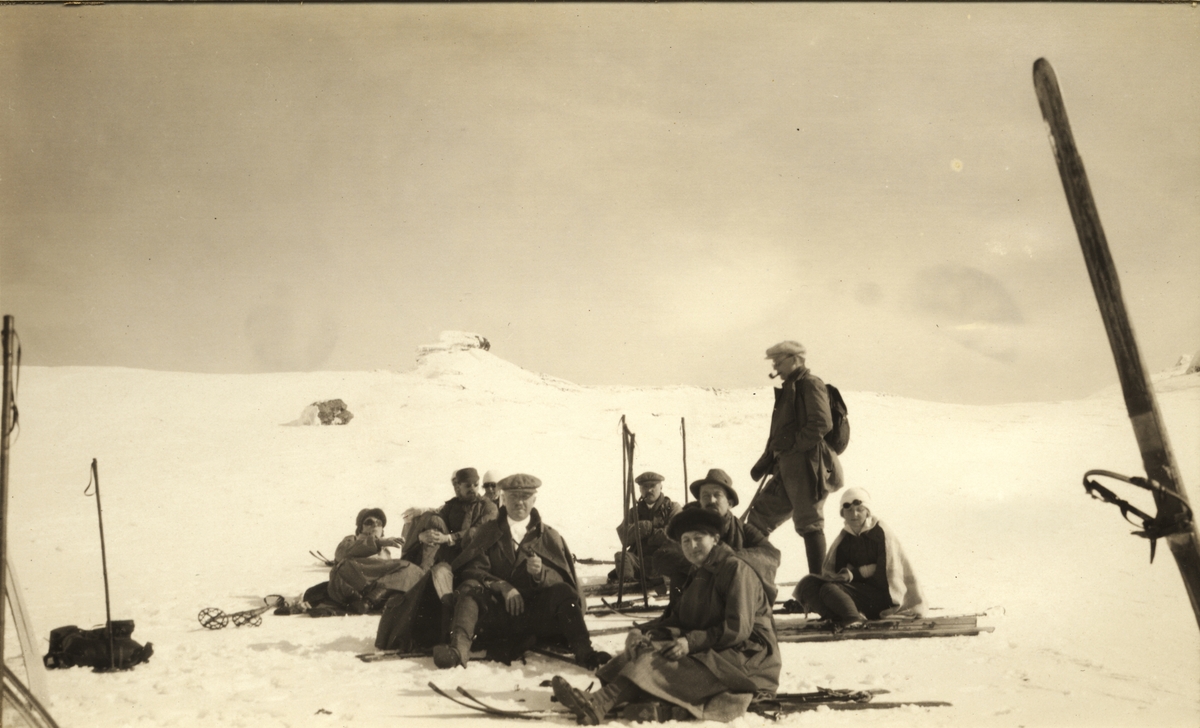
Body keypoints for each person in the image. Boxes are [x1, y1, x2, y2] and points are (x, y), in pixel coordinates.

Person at [552, 507, 781, 724]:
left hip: (747, 658)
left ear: (715, 539)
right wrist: (642, 633)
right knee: (641, 650)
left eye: (698, 538)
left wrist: (689, 643)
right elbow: (678, 620)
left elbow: (737, 628)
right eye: (685, 541)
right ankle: (606, 701)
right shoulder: (698, 572)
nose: (692, 546)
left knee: (656, 660)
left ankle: (599, 703)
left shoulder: (735, 569)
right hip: (717, 648)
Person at [431, 473, 610, 670]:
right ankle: (457, 651)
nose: (519, 502)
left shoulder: (549, 535)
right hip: (497, 616)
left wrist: (540, 574)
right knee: (469, 589)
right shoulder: (487, 531)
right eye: (513, 496)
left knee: (564, 593)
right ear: (503, 499)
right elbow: (473, 571)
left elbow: (564, 580)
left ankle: (585, 652)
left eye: (525, 497)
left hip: (535, 617)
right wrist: (501, 586)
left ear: (534, 499)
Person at [745, 340, 844, 575]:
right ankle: (754, 576)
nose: (776, 366)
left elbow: (822, 423)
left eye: (779, 361)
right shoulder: (792, 386)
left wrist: (793, 447)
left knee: (810, 523)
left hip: (808, 467)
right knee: (759, 518)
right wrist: (769, 459)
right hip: (788, 467)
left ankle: (821, 588)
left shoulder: (810, 384)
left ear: (796, 359)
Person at [792, 487, 924, 627]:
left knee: (829, 589)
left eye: (859, 509)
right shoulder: (844, 539)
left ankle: (853, 618)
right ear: (842, 513)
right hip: (860, 593)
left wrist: (855, 574)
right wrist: (848, 575)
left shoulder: (881, 533)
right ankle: (836, 616)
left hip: (885, 598)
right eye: (848, 510)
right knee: (809, 585)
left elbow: (884, 576)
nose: (854, 514)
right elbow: (838, 573)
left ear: (867, 511)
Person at [651, 469, 780, 610]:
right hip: (696, 605)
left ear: (730, 503)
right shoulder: (687, 526)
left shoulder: (743, 530)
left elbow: (772, 555)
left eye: (717, 495)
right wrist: (701, 560)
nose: (711, 501)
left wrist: (727, 559)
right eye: (705, 496)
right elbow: (661, 558)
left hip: (732, 604)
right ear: (700, 501)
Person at [401, 467, 499, 598]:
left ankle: (423, 580)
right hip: (451, 554)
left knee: (471, 533)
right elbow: (435, 519)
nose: (473, 489)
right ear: (459, 487)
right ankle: (422, 574)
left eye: (476, 485)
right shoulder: (452, 505)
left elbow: (478, 531)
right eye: (468, 486)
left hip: (473, 558)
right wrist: (421, 537)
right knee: (433, 519)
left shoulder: (488, 506)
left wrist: (447, 538)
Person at [324, 508, 427, 614]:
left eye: (379, 523)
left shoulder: (386, 551)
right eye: (369, 522)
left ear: (382, 530)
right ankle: (370, 600)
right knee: (344, 566)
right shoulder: (352, 539)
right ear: (360, 528)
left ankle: (368, 602)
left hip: (373, 587)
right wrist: (377, 542)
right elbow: (342, 553)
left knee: (413, 570)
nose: (375, 525)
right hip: (355, 581)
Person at [609, 471, 682, 583]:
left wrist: (646, 534)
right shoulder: (634, 512)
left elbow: (673, 534)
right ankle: (627, 583)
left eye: (653, 486)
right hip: (640, 562)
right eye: (645, 487)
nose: (649, 490)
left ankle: (658, 580)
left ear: (661, 486)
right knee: (622, 556)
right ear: (640, 490)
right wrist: (645, 527)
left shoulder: (672, 508)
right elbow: (624, 536)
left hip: (664, 560)